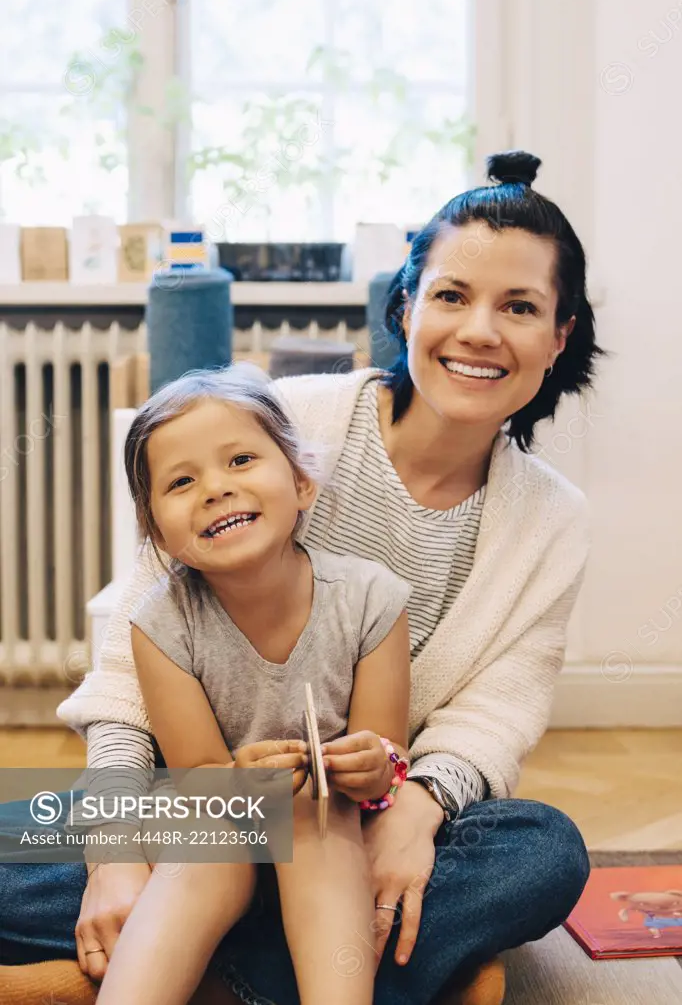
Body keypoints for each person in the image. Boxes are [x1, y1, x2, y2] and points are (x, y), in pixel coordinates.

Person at [0, 149, 601, 1005]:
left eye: (519, 306)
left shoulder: (553, 518)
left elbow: (494, 713)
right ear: (406, 304)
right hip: (196, 809)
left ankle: (171, 964)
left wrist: (414, 813)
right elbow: (130, 665)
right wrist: (113, 853)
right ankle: (315, 960)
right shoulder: (283, 423)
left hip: (361, 817)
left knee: (542, 850)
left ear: (559, 334)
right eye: (452, 296)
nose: (479, 331)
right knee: (33, 845)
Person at [93, 364, 412, 1005]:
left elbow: (388, 769)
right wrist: (238, 782)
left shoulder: (373, 599)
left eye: (240, 460)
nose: (215, 489)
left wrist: (370, 766)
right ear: (157, 532)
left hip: (331, 840)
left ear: (301, 482)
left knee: (311, 814)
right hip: (214, 834)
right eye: (181, 481)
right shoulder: (159, 622)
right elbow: (199, 779)